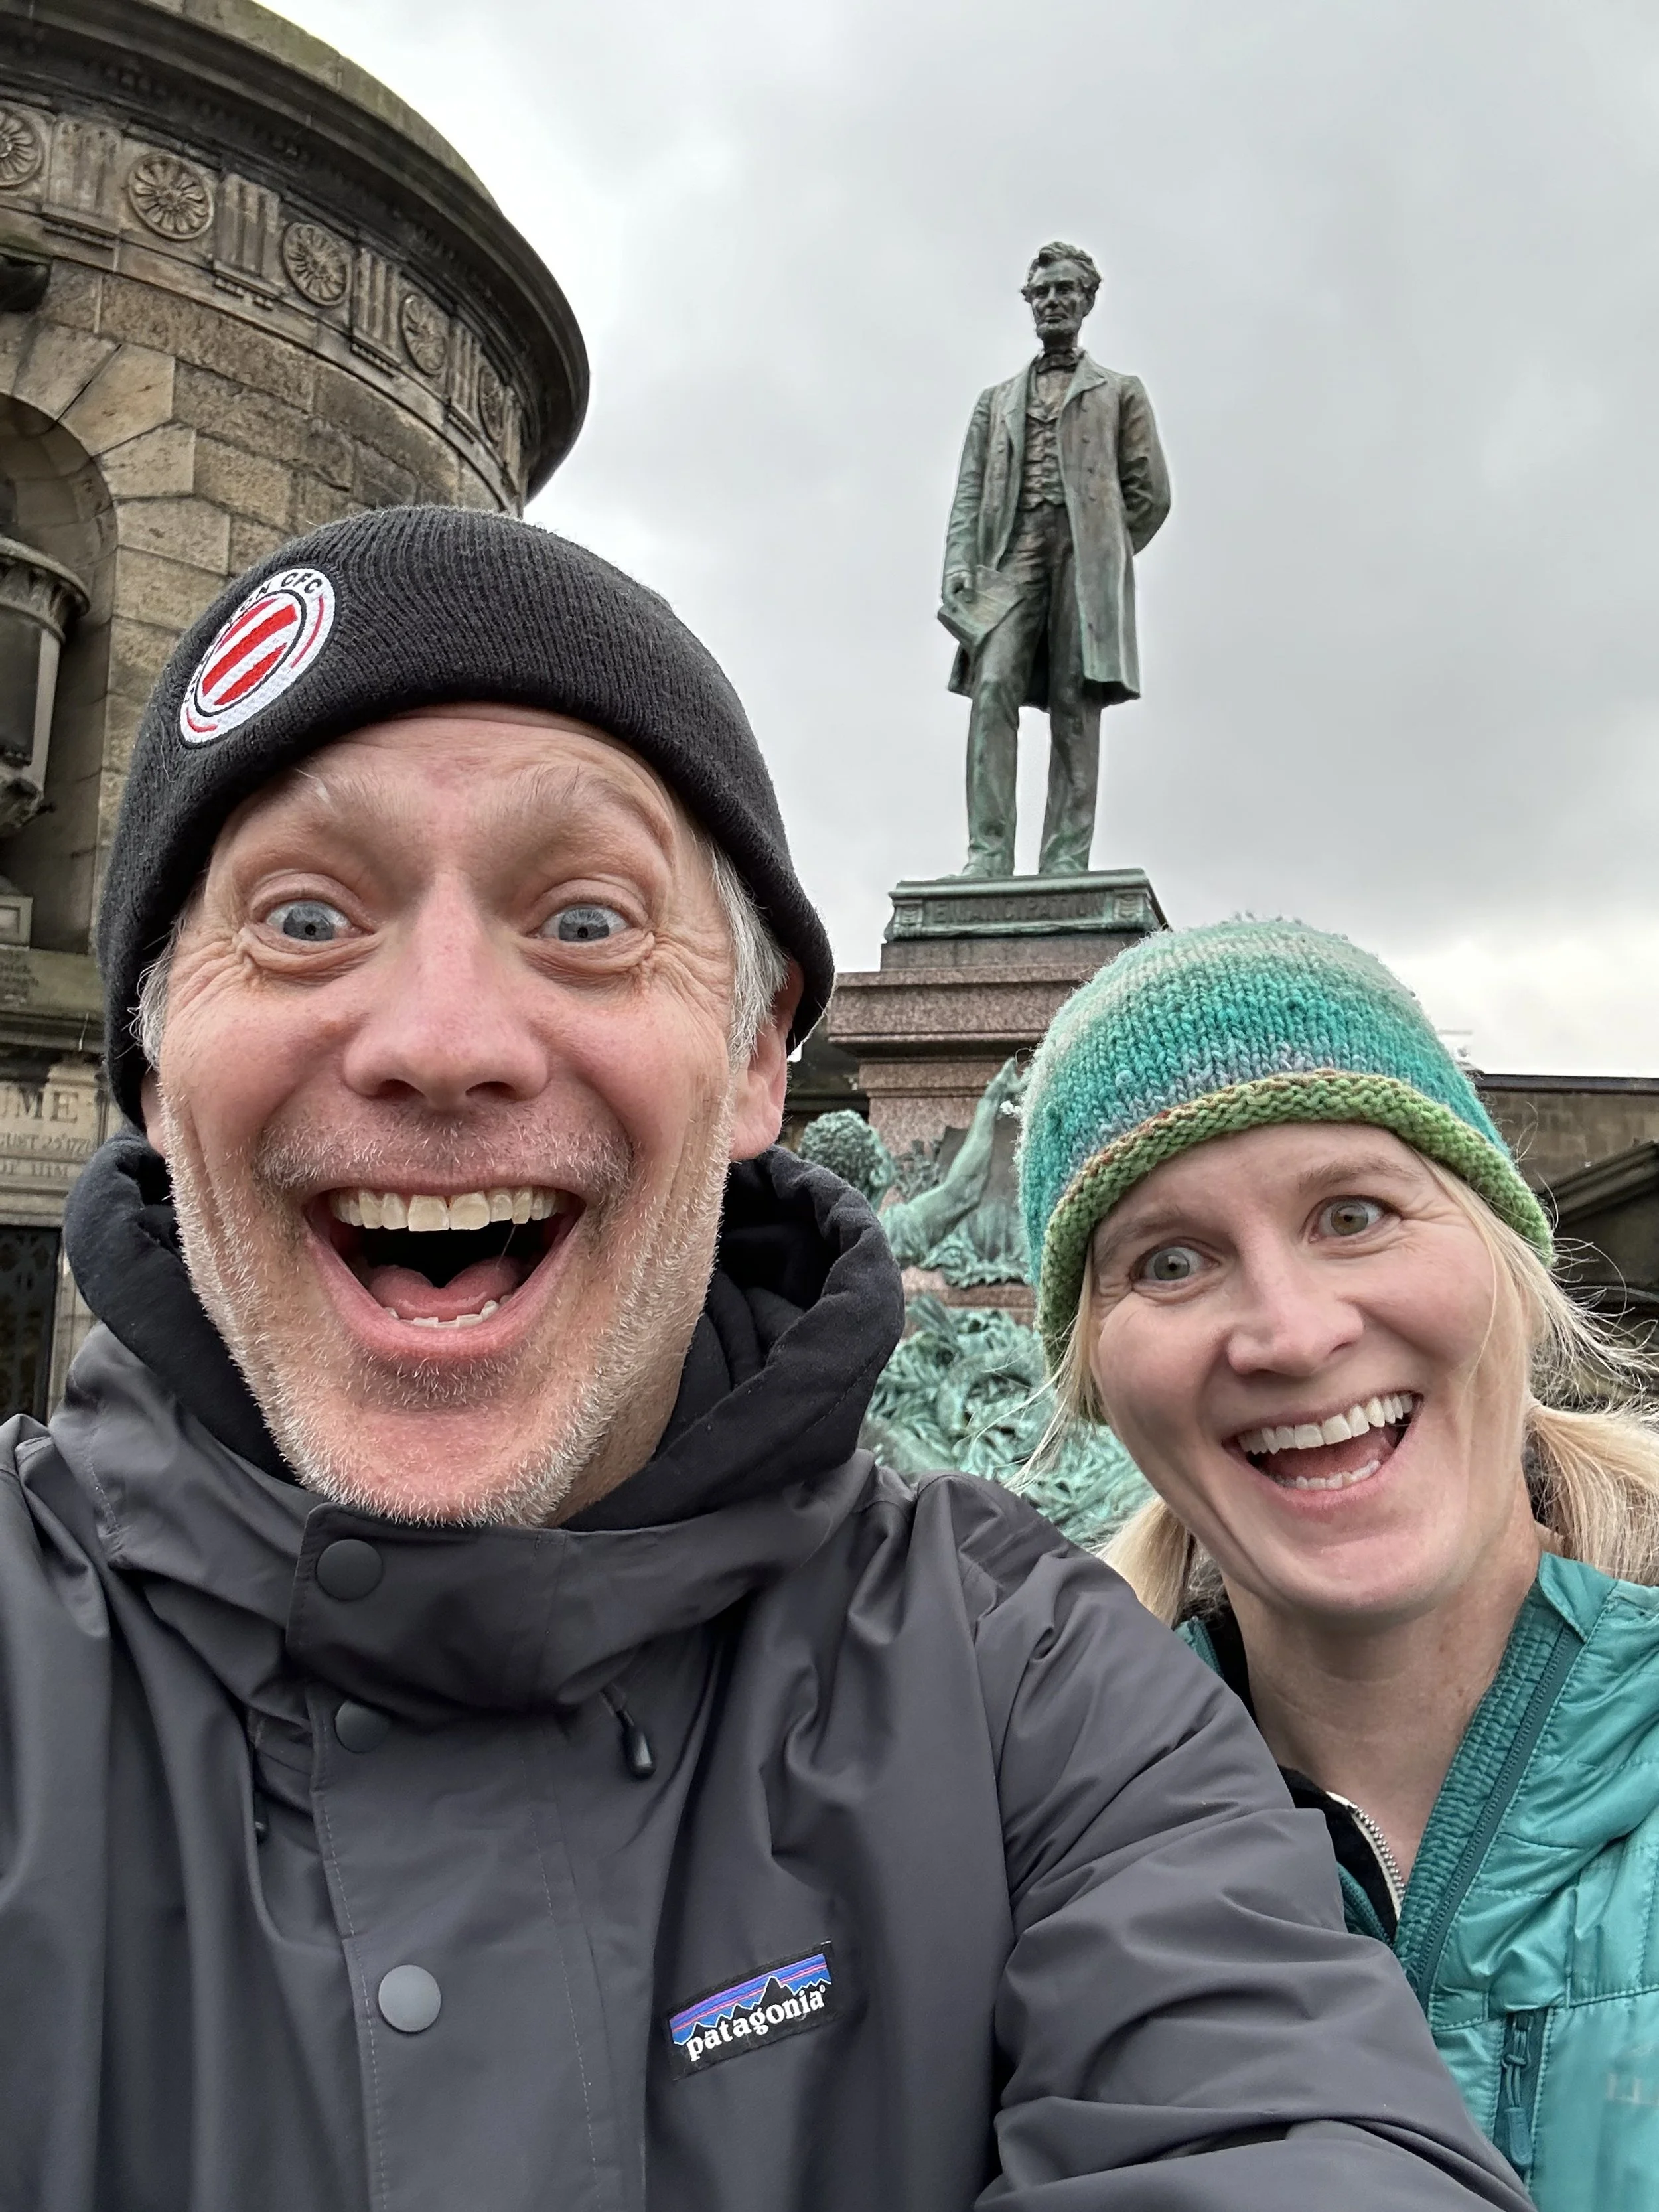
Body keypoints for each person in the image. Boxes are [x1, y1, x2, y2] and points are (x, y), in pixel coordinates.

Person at [0, 511, 1531, 2212]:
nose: (440, 1039)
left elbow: (1297, 2134)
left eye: (587, 920)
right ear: (152, 1065)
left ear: (757, 1064)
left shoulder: (1032, 1686)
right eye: (301, 917)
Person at [1019, 915, 1659, 2212]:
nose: (1291, 1332)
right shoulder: (1013, 1857)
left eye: (1353, 1214)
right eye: (1169, 1260)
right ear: (1093, 1376)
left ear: (1502, 1254)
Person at [940, 240, 1169, 878]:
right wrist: (959, 563)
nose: (1052, 301)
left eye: (1065, 290)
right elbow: (968, 493)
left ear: (1087, 300)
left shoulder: (1120, 392)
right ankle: (988, 855)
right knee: (992, 688)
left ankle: (1065, 860)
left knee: (1075, 700)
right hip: (1010, 556)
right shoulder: (995, 402)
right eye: (1041, 292)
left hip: (1083, 557)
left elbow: (1150, 494)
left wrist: (1105, 550)